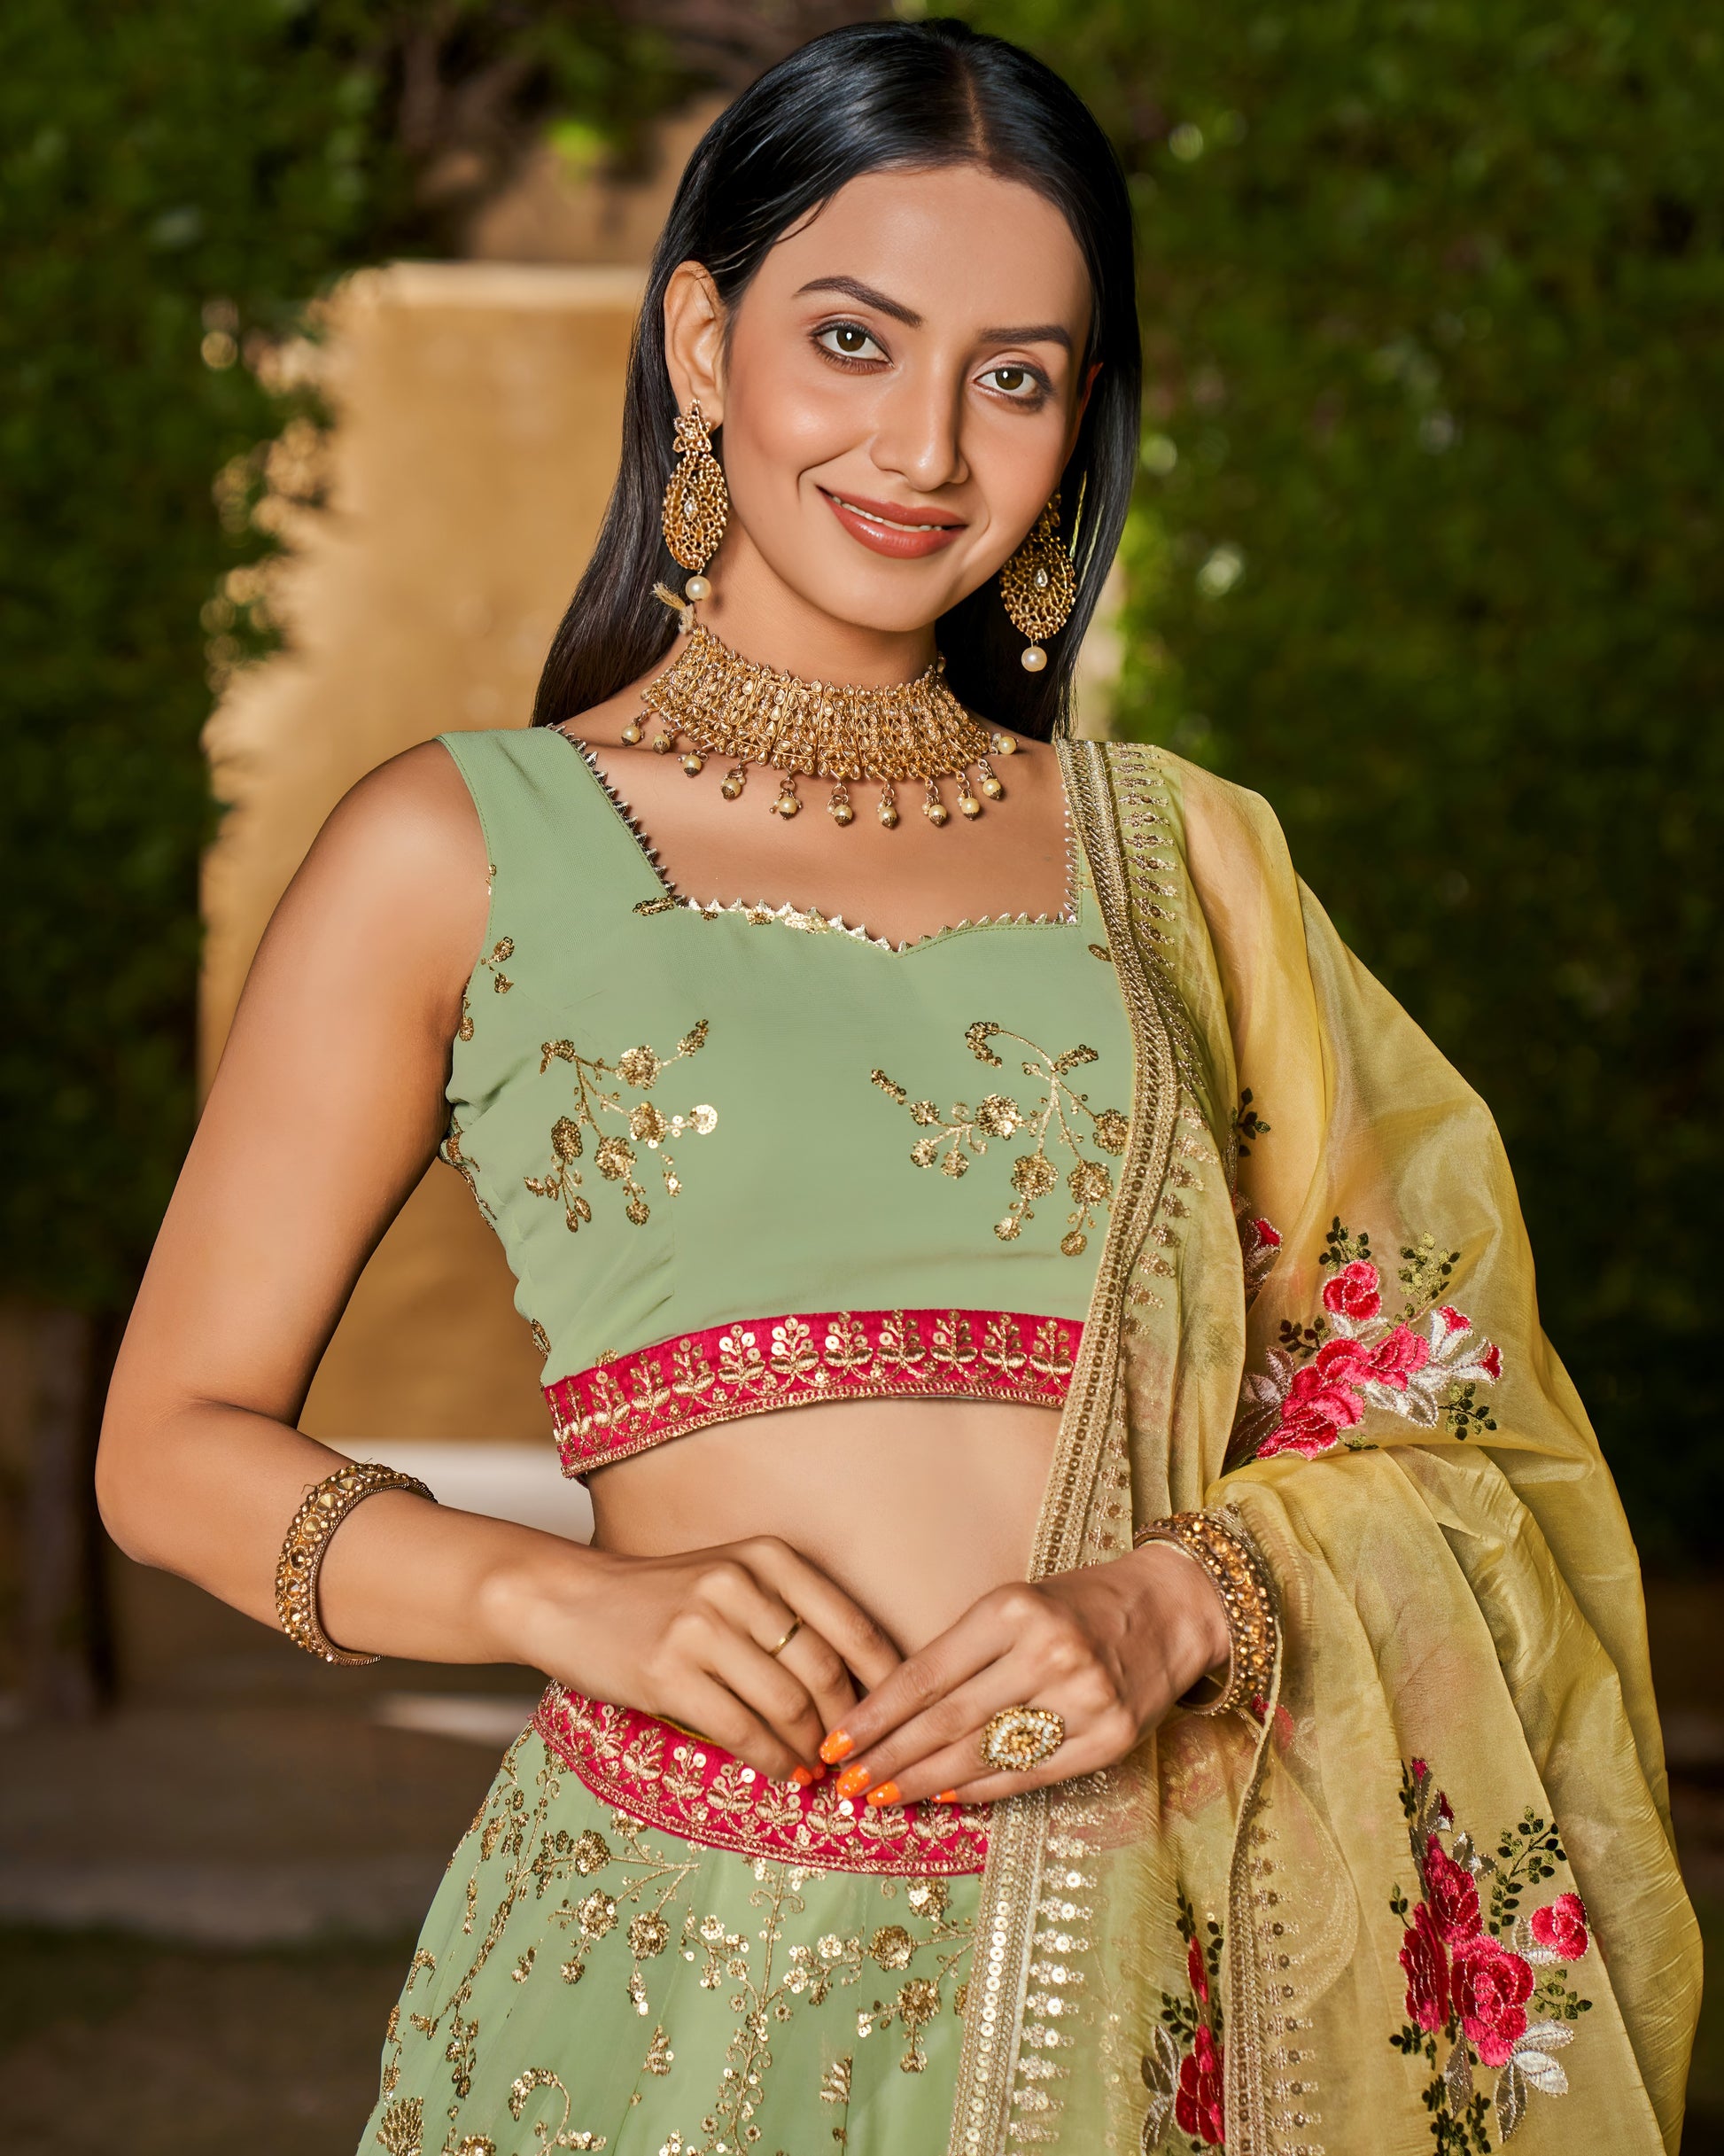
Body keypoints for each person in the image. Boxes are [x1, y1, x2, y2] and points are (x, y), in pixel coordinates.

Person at [96, 19, 1699, 2155]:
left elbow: (1451, 1401)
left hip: (1165, 1966)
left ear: (1077, 420)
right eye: (851, 336)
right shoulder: (456, 846)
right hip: (665, 1979)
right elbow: (168, 1445)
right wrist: (552, 1593)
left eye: (1014, 375)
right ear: (700, 334)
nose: (922, 444)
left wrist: (1179, 1594)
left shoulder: (1183, 859)